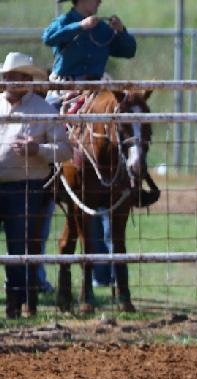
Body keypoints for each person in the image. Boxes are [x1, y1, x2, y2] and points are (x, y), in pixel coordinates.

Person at [43, 0, 137, 285]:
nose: (97, 1)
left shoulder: (105, 27)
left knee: (115, 126)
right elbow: (48, 38)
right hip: (64, 87)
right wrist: (77, 26)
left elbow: (129, 50)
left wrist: (122, 32)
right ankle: (46, 177)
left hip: (95, 89)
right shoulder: (66, 21)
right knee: (46, 120)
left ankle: (131, 179)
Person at [0, 53, 71, 318]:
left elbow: (65, 151)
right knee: (19, 247)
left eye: (16, 77)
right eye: (7, 77)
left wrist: (37, 149)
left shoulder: (44, 110)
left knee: (20, 247)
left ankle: (16, 303)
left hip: (26, 187)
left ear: (27, 81)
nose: (11, 82)